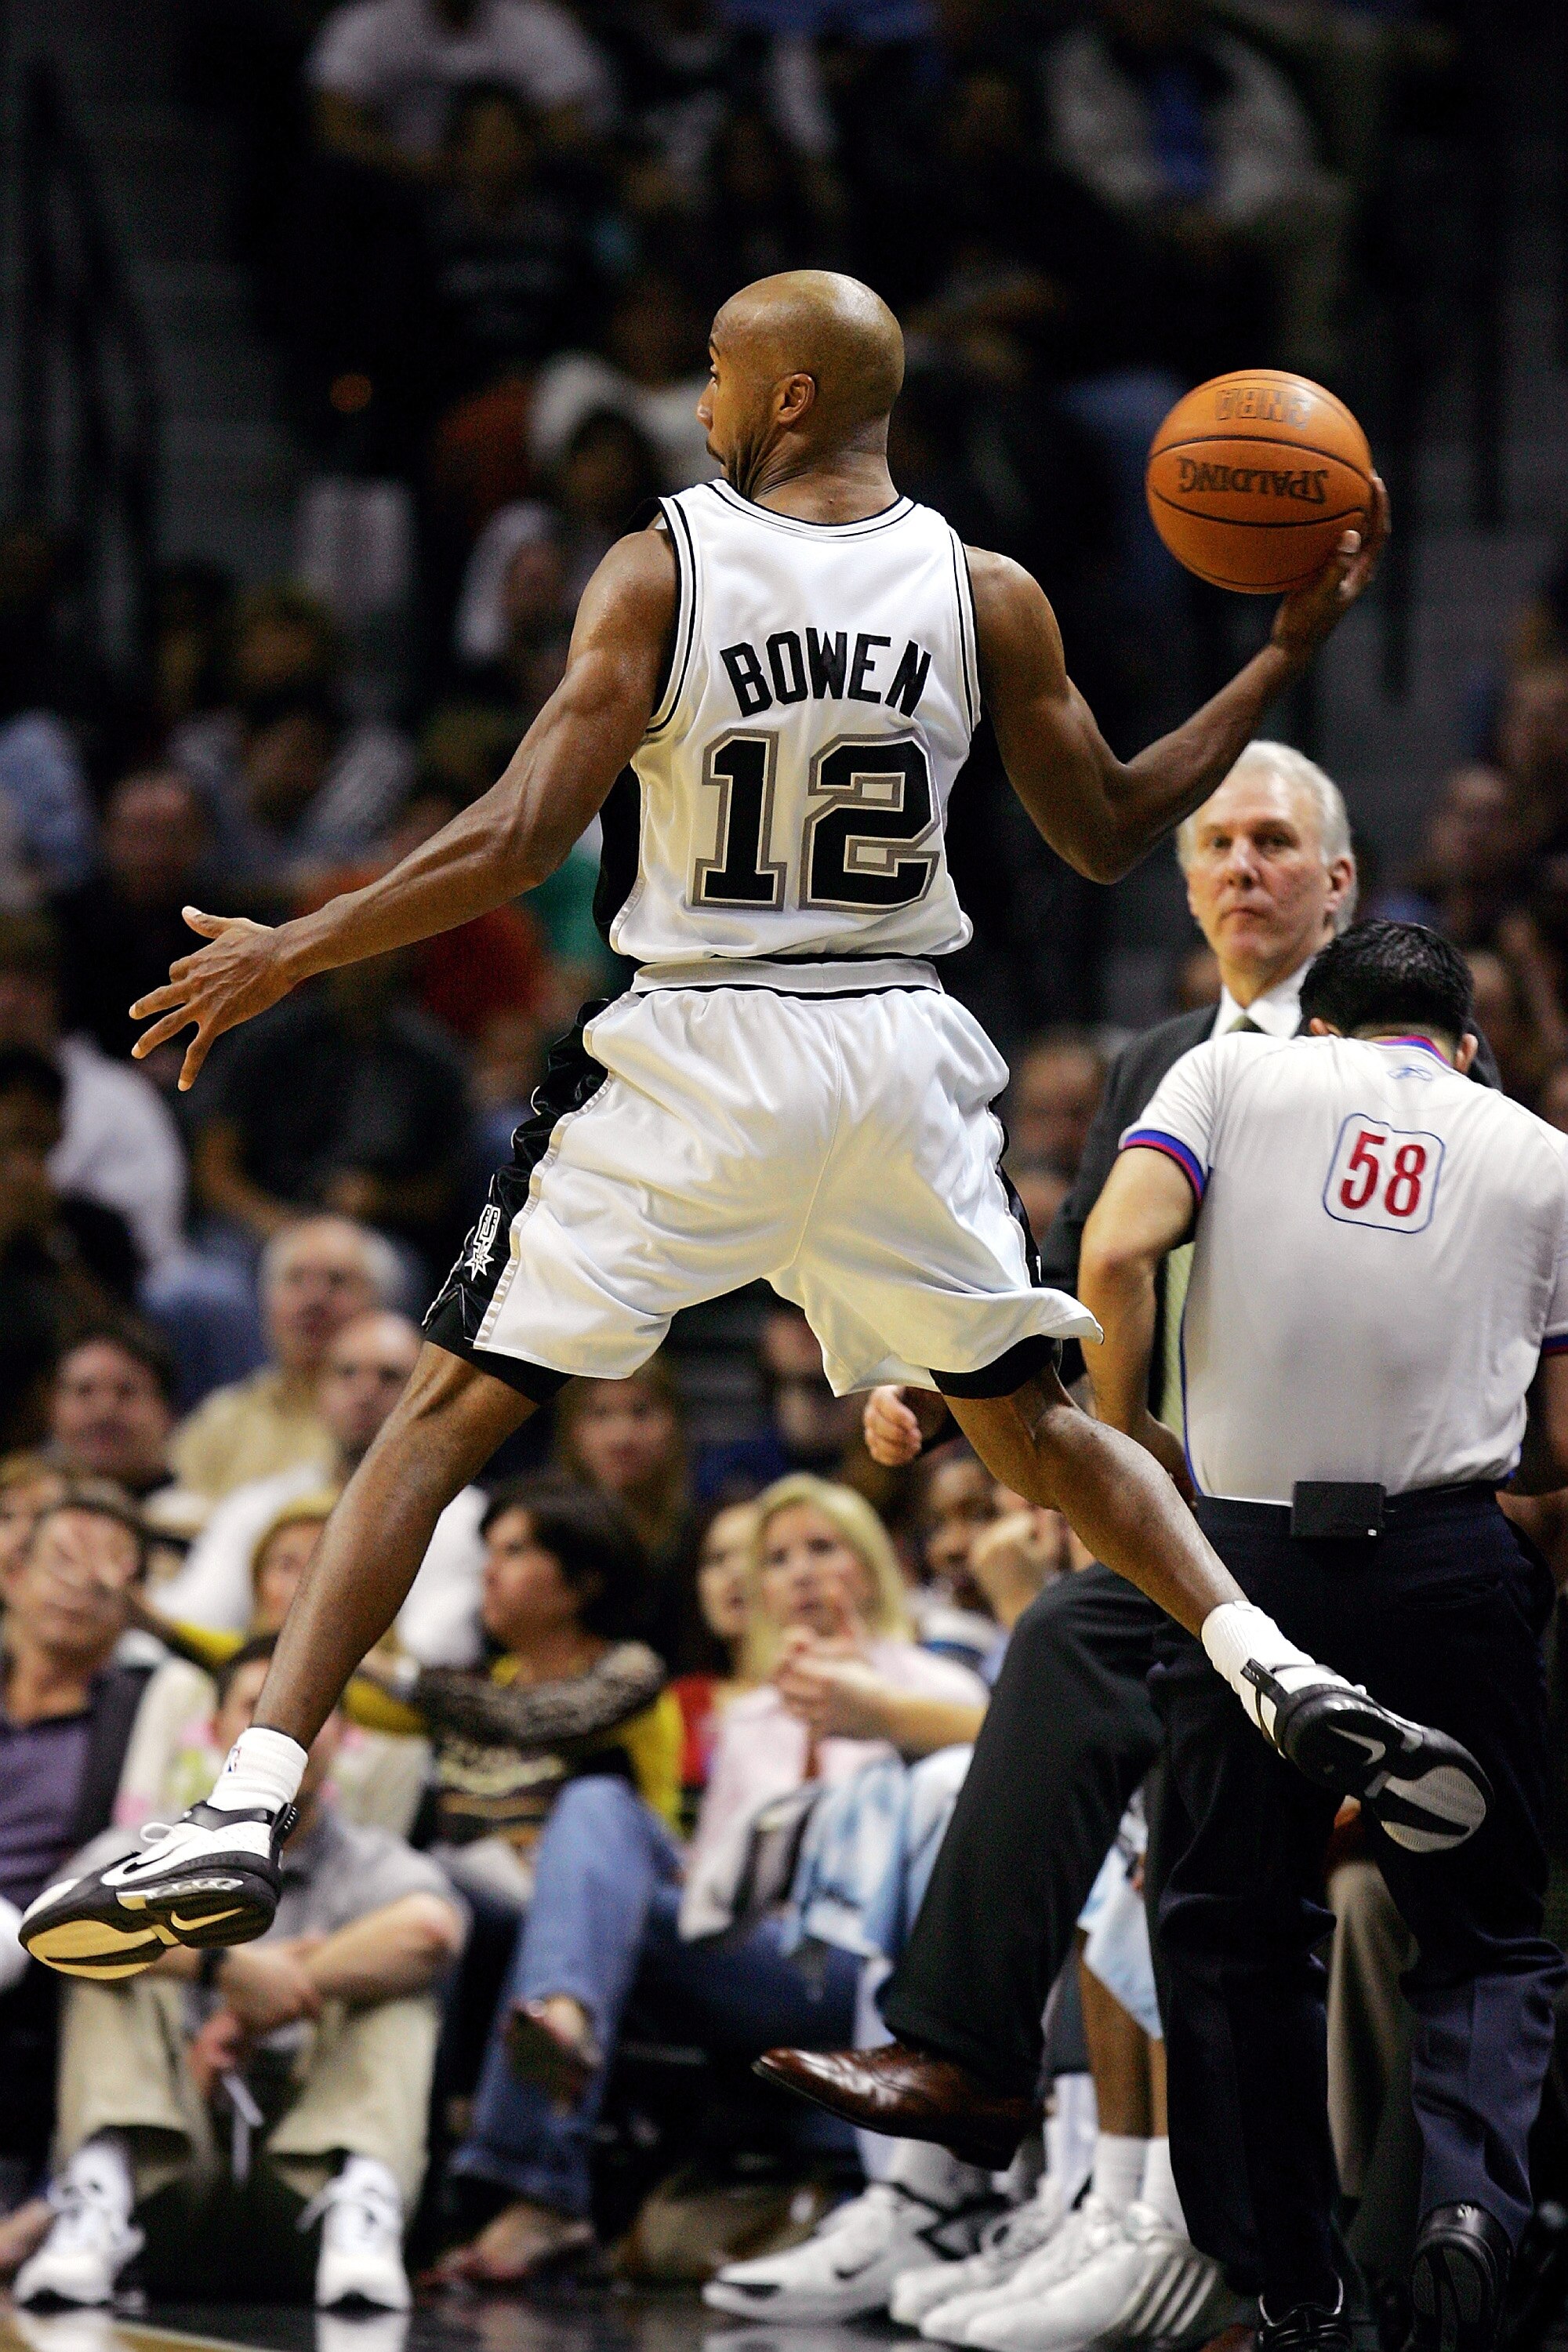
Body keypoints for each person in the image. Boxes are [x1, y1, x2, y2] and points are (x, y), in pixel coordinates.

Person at [27, 268, 1452, 2015]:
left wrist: (294, 945)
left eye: (716, 370)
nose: (697, 397)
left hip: (699, 1047)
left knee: (441, 1416)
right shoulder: (982, 590)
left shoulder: (666, 561)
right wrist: (1285, 651)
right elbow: (1108, 830)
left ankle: (248, 1796)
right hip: (894, 1054)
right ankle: (1270, 1657)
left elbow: (513, 832)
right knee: (1043, 1430)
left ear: (783, 400)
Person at [749, 743, 1396, 2168]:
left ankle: (1175, 2211)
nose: (1242, 866)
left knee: (1106, 1690)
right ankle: (971, 2064)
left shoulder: (1393, 1046)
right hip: (1196, 1505)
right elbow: (1039, 1273)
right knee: (1064, 1642)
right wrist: (935, 1364)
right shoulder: (1156, 1064)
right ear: (1182, 884)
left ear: (1339, 884)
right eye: (1216, 846)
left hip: (1352, 1501)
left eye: (1277, 844)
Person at [1060, 920, 1568, 2352]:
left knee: (1231, 1930)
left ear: (1323, 1032)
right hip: (1447, 1561)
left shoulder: (1233, 1078)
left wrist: (1128, 1438)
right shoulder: (1540, 1153)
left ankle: (1300, 2290)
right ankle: (1470, 2209)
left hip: (1247, 1567)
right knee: (1486, 1937)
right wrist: (1527, 1542)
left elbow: (1117, 1246)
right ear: (1463, 1045)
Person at [434, 1473, 986, 2286]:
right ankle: (562, 2025)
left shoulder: (931, 1685)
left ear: (868, 1567)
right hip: (747, 1953)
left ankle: (541, 2164)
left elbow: (980, 1783)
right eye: (777, 1558)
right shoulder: (752, 1716)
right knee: (595, 1804)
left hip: (859, 1966)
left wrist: (874, 1713)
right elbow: (719, 1882)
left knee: (593, 1877)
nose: (798, 1572)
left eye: (820, 1549)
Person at [14, 1637, 466, 2311]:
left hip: (306, 2184)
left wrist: (267, 1999)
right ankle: (97, 2197)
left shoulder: (373, 1860)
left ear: (342, 1734)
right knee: (106, 1952)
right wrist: (220, 1968)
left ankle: (362, 2216)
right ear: (221, 1731)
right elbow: (53, 1927)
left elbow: (432, 1931)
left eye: (312, 1713)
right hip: (168, 2174)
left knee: (396, 1985)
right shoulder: (151, 1847)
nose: (287, 1729)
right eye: (258, 1709)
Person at [0, 1491, 208, 2196]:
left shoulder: (151, 1701)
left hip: (38, 1929)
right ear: (12, 1575)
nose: (82, 1585)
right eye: (61, 1561)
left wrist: (155, 1619)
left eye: (110, 1571)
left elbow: (259, 1671)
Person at [158, 1308, 485, 1667]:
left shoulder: (464, 1518)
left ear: (429, 1395)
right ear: (319, 1392)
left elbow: (435, 1655)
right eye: (347, 1373)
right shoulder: (259, 1505)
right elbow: (197, 1615)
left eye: (389, 1377)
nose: (364, 1391)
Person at [167, 1216, 401, 1501]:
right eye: (296, 1279)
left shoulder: (393, 1420)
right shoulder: (221, 1420)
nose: (314, 1298)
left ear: (379, 1303)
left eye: (337, 1281)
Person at [47, 1326, 178, 1500]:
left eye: (126, 1391)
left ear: (166, 1412)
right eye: (84, 1391)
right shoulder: (19, 1508)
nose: (104, 1410)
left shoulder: (207, 1509)